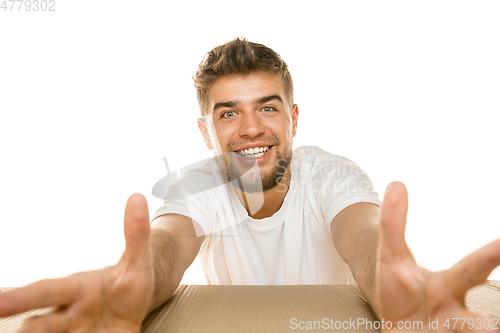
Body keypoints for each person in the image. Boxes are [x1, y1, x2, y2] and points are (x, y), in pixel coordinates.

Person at [1, 38, 499, 333]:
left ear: (294, 118)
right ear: (205, 131)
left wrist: (391, 283)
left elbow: (365, 237)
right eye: (228, 113)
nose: (251, 129)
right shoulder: (197, 184)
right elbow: (168, 246)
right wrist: (133, 285)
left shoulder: (333, 174)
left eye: (266, 107)